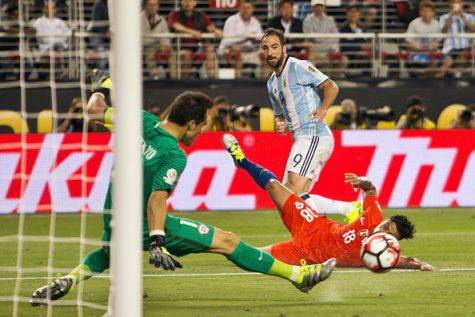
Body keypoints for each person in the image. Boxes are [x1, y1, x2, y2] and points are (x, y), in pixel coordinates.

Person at [30, 88, 336, 306]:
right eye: (202, 126)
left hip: (113, 216)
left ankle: (67, 280)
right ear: (190, 124)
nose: (200, 132)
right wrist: (157, 241)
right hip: (146, 224)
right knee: (227, 241)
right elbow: (156, 200)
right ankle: (297, 275)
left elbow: (94, 110)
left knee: (111, 252)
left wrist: (102, 86)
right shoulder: (173, 154)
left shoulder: (141, 120)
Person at [222, 134, 437, 271]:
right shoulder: (374, 216)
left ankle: (219, 242)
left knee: (248, 255)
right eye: (387, 226)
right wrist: (363, 181)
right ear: (386, 220)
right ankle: (242, 160)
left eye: (390, 234)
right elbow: (371, 190)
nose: (384, 231)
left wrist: (420, 265)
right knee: (274, 185)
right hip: (313, 225)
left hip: (306, 255)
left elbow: (402, 260)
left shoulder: (378, 252)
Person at [261, 28, 340, 215]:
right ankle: (321, 233)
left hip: (314, 135)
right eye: (266, 48)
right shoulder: (271, 82)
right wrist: (280, 124)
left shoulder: (298, 66)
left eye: (274, 47)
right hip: (300, 140)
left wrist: (324, 108)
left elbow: (331, 86)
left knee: (292, 193)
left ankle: (350, 209)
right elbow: (279, 115)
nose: (270, 52)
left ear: (284, 49)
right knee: (288, 200)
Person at [168, 0, 222, 79]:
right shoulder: (174, 14)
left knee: (210, 51)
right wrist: (192, 32)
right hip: (180, 49)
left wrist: (216, 31)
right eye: (185, 1)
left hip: (197, 49)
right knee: (186, 55)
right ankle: (184, 84)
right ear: (181, 2)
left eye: (190, 1)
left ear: (194, 3)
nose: (187, 3)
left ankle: (212, 82)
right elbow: (177, 26)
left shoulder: (200, 15)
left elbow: (210, 27)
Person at [406, 1, 452, 78]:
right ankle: (428, 79)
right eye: (423, 11)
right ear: (420, 12)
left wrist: (434, 47)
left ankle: (437, 77)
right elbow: (407, 44)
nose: (426, 13)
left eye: (428, 11)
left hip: (431, 52)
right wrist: (420, 48)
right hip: (417, 53)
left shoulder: (436, 24)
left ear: (433, 13)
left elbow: (437, 42)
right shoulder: (414, 23)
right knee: (433, 60)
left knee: (448, 60)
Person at [218, 0, 263, 78]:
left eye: (248, 8)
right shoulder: (231, 20)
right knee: (236, 52)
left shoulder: (256, 22)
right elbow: (226, 41)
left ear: (252, 9)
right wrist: (246, 38)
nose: (246, 10)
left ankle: (262, 86)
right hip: (230, 50)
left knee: (266, 55)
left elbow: (260, 40)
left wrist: (255, 41)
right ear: (239, 8)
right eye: (244, 7)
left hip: (250, 51)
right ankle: (238, 86)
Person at [303, 0, 346, 77]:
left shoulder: (330, 19)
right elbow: (311, 38)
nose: (318, 8)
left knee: (344, 60)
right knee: (325, 60)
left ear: (324, 7)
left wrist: (321, 39)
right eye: (317, 6)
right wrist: (327, 38)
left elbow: (336, 36)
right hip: (317, 51)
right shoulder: (307, 21)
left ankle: (335, 80)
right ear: (313, 7)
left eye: (320, 6)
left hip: (330, 49)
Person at [32, 1, 72, 79]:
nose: (50, 10)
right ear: (43, 9)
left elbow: (69, 35)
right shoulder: (37, 22)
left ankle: (61, 74)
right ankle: (60, 74)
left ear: (55, 10)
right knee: (56, 48)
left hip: (60, 49)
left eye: (52, 8)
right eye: (47, 8)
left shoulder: (61, 22)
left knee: (59, 47)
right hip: (45, 50)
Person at [141, 0, 176, 79]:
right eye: (149, 5)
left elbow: (165, 36)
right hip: (142, 48)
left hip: (158, 47)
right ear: (145, 6)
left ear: (158, 6)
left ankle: (174, 78)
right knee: (150, 52)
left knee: (172, 53)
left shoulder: (161, 20)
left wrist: (166, 45)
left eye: (154, 5)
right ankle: (155, 77)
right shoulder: (137, 19)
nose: (152, 7)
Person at [440, 0, 475, 78]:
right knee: (446, 64)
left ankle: (457, 76)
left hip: (464, 47)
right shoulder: (444, 17)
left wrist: (462, 17)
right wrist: (450, 16)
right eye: (454, 2)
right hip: (449, 48)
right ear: (450, 4)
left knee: (463, 55)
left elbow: (473, 30)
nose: (456, 4)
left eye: (458, 2)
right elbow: (443, 31)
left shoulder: (469, 17)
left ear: (462, 4)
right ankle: (437, 81)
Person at [339, 4, 371, 76]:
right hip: (349, 55)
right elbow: (343, 46)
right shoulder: (342, 28)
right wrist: (360, 47)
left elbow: (368, 41)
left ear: (359, 14)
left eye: (356, 12)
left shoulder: (363, 28)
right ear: (347, 13)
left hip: (364, 55)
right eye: (351, 12)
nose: (353, 14)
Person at [87, 0, 109, 70]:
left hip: (107, 37)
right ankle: (99, 78)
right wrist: (106, 32)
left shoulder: (113, 5)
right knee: (102, 55)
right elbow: (95, 24)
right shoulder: (98, 4)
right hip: (95, 35)